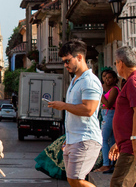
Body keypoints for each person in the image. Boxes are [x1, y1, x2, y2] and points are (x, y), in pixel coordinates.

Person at [48, 39, 102, 187]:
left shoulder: (89, 81)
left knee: (76, 179)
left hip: (86, 139)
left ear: (79, 57)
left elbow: (89, 110)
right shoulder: (75, 80)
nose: (65, 65)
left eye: (67, 61)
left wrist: (64, 105)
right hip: (75, 139)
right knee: (73, 180)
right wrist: (69, 138)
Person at [108, 46, 136, 187]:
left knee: (119, 184)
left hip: (131, 147)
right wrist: (118, 142)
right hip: (127, 145)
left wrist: (133, 139)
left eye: (115, 63)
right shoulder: (130, 81)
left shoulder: (133, 81)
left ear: (121, 63)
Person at [95, 69, 120, 173]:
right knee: (111, 140)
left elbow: (109, 104)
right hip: (108, 115)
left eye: (109, 77)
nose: (107, 79)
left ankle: (106, 164)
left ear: (114, 79)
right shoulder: (111, 89)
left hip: (109, 115)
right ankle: (112, 164)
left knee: (104, 140)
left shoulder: (114, 89)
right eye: (105, 77)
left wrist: (100, 94)